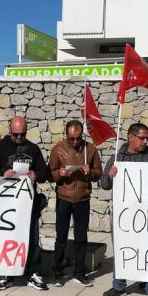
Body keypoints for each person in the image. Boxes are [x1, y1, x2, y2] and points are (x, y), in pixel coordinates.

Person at [0, 116, 51, 291]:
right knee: (5, 238)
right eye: (16, 135)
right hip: (5, 204)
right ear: (10, 131)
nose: (19, 138)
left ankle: (34, 273)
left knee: (32, 238)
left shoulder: (33, 148)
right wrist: (3, 173)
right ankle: (4, 273)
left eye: (22, 134)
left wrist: (36, 175)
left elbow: (44, 172)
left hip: (28, 203)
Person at [101, 123, 148, 296]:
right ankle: (119, 285)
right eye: (142, 138)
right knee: (122, 249)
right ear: (130, 137)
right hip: (123, 215)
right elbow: (104, 185)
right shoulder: (117, 158)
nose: (146, 141)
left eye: (147, 138)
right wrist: (110, 176)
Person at [48, 119, 102, 287]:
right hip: (64, 197)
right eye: (71, 139)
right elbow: (49, 173)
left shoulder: (90, 149)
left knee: (81, 237)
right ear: (66, 135)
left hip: (83, 198)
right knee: (61, 237)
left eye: (78, 138)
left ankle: (80, 271)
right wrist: (59, 173)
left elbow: (99, 173)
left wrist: (90, 172)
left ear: (82, 134)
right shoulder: (58, 149)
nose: (75, 142)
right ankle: (58, 271)